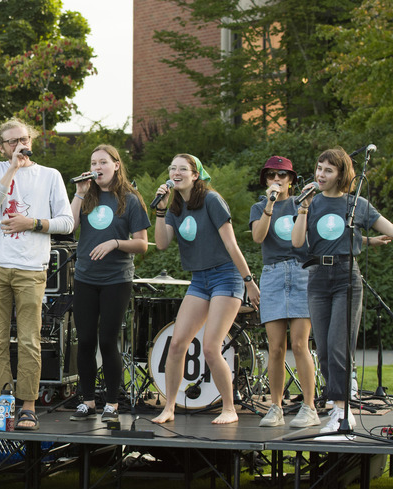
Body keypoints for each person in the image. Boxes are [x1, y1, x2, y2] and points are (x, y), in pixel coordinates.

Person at [151, 154, 260, 425]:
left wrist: (249, 281)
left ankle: (229, 408)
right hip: (199, 279)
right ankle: (170, 407)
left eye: (182, 169)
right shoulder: (175, 207)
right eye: (172, 168)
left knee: (211, 346)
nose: (175, 173)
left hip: (226, 276)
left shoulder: (211, 200)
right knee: (177, 344)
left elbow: (232, 245)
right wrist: (160, 209)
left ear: (195, 175)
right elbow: (162, 243)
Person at [0, 118, 74, 430]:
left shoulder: (50, 175)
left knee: (30, 340)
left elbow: (66, 222)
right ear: (1, 146)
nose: (19, 145)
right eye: (11, 141)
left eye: (23, 139)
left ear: (31, 139)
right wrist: (12, 169)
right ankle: (2, 402)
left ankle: (29, 406)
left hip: (31, 268)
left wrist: (31, 223)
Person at [292, 147, 393, 433]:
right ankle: (339, 403)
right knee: (323, 349)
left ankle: (340, 411)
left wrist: (370, 240)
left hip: (347, 277)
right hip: (317, 278)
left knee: (338, 345)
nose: (320, 174)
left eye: (328, 170)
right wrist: (303, 208)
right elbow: (298, 242)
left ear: (341, 175)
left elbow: (388, 228)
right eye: (319, 168)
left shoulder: (357, 204)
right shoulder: (309, 203)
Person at [69, 144, 150, 423]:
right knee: (86, 340)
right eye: (93, 162)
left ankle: (112, 404)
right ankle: (88, 401)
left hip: (116, 279)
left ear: (116, 165)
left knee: (107, 340)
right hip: (85, 278)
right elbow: (69, 227)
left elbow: (142, 244)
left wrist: (116, 242)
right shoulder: (86, 197)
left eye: (103, 162)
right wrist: (79, 194)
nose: (97, 167)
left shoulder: (130, 199)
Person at [250, 156, 319, 428]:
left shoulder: (302, 202)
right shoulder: (259, 206)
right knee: (276, 347)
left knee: (301, 344)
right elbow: (257, 237)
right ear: (265, 180)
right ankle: (276, 407)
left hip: (302, 272)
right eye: (271, 175)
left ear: (291, 179)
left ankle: (309, 406)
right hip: (273, 273)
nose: (276, 180)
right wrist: (270, 202)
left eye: (282, 175)